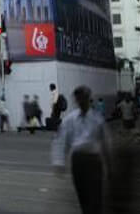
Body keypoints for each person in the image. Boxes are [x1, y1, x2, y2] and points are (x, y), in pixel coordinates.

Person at [51, 86, 111, 214]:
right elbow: (61, 140)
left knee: (95, 195)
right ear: (76, 100)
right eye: (79, 99)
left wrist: (109, 164)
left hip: (93, 160)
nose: (81, 101)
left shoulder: (97, 119)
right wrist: (59, 162)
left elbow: (105, 141)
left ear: (88, 99)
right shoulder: (70, 119)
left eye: (84, 98)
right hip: (78, 160)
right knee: (83, 195)